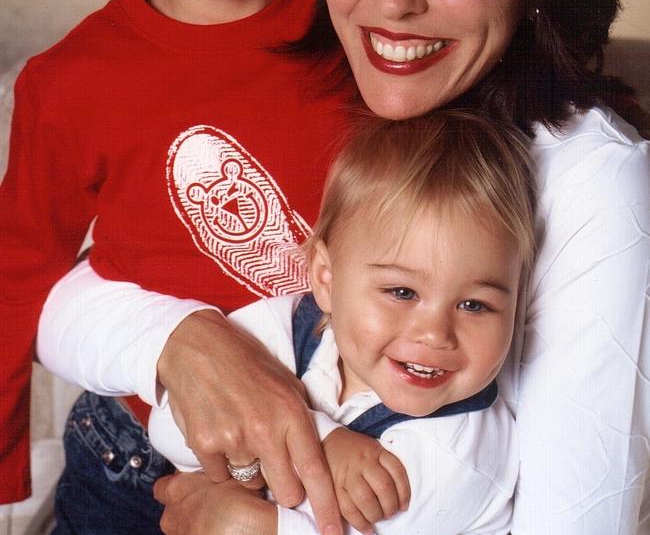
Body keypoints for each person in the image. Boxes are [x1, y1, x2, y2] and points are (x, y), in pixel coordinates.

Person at [32, 0, 650, 534]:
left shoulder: (594, 180)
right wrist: (181, 339)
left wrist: (259, 529)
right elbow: (75, 282)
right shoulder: (335, 79)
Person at [0, 0, 352, 533]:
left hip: (337, 444)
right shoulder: (68, 78)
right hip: (133, 461)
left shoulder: (360, 30)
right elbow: (17, 269)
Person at [39, 110, 536, 534]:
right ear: (324, 277)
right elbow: (173, 424)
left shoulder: (461, 452)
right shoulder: (291, 326)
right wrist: (318, 439)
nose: (434, 334)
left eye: (475, 305)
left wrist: (245, 508)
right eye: (401, 292)